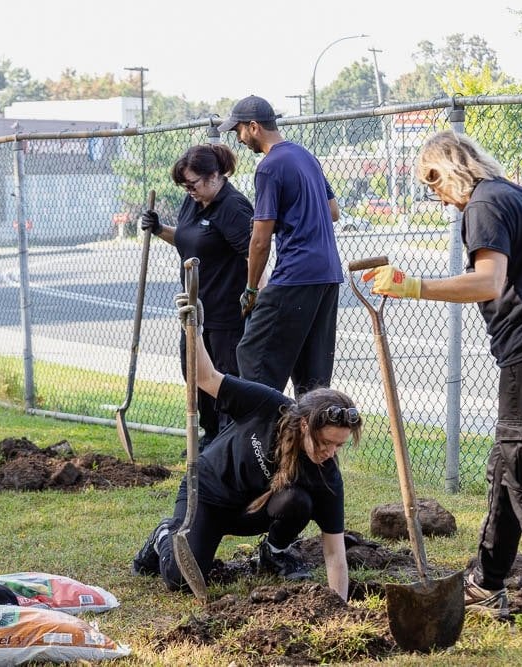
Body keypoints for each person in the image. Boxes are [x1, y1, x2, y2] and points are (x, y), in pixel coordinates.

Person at [364, 130, 522, 636]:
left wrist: (413, 285)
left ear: (443, 171)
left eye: (433, 186)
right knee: (508, 468)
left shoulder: (483, 207)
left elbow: (488, 283)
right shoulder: (520, 195)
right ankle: (489, 580)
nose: (439, 198)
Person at [132, 294, 362, 600]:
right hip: (209, 495)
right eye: (325, 442)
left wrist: (338, 608)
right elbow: (205, 376)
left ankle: (274, 551)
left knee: (298, 501)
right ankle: (164, 534)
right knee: (181, 580)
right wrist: (194, 331)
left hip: (253, 513)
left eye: (338, 446)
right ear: (305, 424)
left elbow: (334, 555)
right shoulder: (268, 406)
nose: (329, 453)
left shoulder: (327, 476)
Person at [216, 95, 343, 398]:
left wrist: (250, 289)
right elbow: (334, 211)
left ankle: (261, 439)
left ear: (254, 126)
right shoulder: (304, 156)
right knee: (312, 378)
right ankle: (311, 443)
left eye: (239, 131)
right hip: (327, 274)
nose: (239, 139)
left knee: (253, 356)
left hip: (296, 274)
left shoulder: (270, 166)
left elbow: (260, 240)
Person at [139, 143, 253, 446]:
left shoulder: (233, 207)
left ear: (215, 175)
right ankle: (210, 439)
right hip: (195, 313)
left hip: (227, 316)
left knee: (225, 383)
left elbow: (255, 254)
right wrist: (160, 228)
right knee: (195, 377)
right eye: (184, 185)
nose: (188, 190)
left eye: (193, 184)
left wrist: (256, 295)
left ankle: (230, 445)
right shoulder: (193, 202)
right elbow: (191, 240)